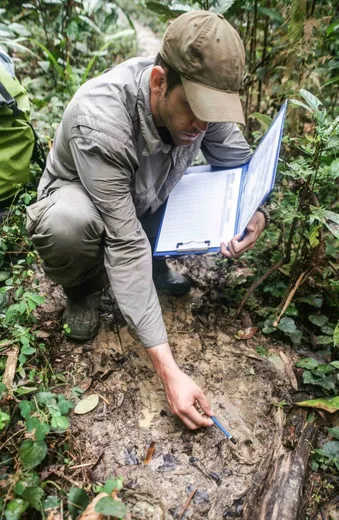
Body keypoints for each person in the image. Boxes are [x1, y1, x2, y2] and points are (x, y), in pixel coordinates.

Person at [26, 11, 268, 430]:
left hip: (143, 197)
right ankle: (83, 288)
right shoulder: (100, 122)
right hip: (89, 202)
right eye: (195, 108)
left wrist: (256, 213)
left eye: (214, 111)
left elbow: (240, 163)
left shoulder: (199, 107)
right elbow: (125, 243)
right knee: (69, 224)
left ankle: (156, 262)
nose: (204, 124)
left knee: (175, 192)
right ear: (160, 82)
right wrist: (170, 371)